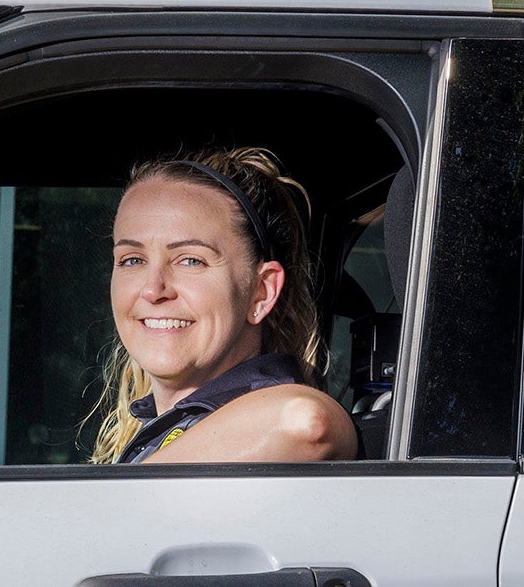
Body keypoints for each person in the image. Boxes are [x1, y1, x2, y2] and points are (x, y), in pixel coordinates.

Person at [92, 147, 358, 464]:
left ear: (261, 291)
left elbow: (305, 422)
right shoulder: (165, 428)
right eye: (132, 260)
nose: (153, 289)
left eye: (191, 260)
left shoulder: (276, 407)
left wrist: (116, 496)